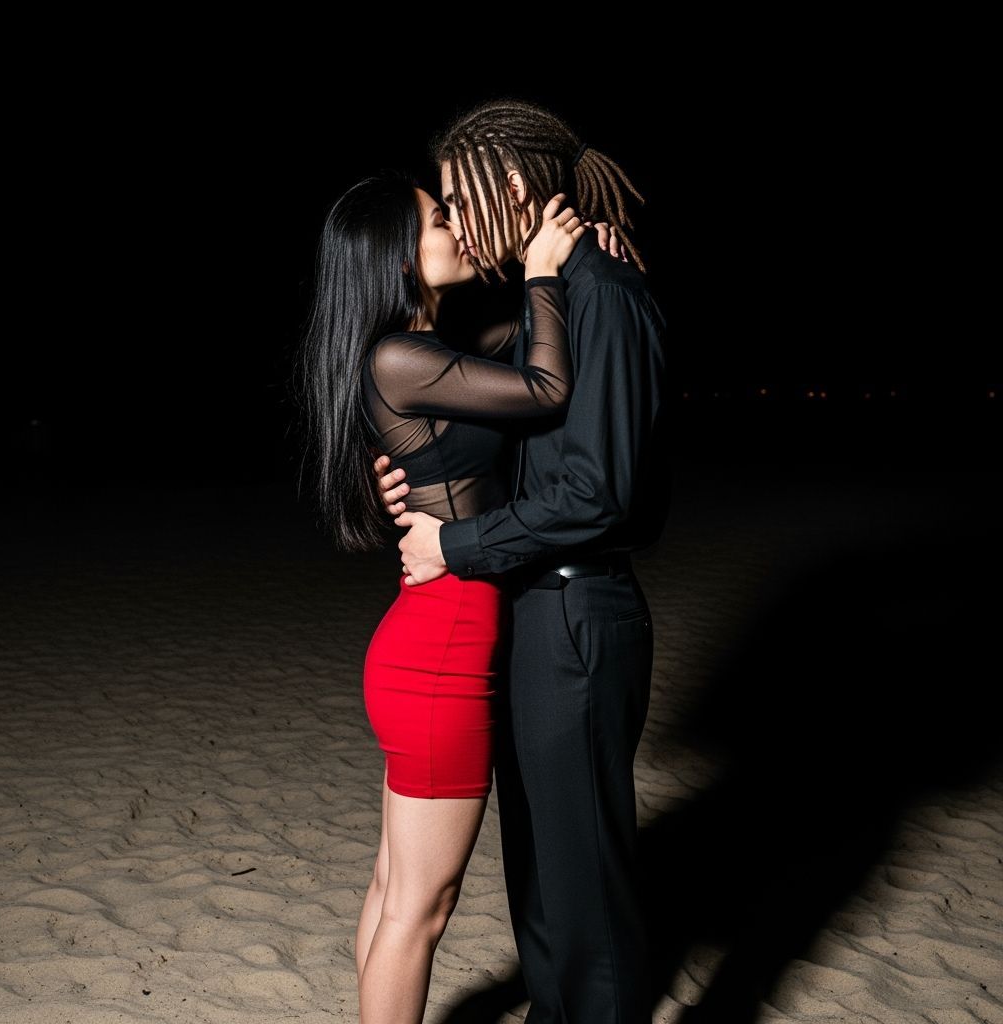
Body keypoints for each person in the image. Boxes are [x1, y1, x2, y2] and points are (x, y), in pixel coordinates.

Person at [373, 99, 669, 1023]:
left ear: (510, 188)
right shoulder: (549, 300)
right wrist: (410, 492)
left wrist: (453, 542)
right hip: (532, 616)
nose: (457, 224)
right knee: (543, 886)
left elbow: (597, 495)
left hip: (578, 615)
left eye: (461, 201)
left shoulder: (603, 295)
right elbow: (492, 432)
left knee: (585, 904)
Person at [294, 169, 602, 1022]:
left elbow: (513, 355)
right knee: (418, 910)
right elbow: (547, 389)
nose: (459, 226)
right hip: (441, 654)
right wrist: (543, 272)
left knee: (397, 890)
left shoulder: (422, 352)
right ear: (400, 257)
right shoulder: (400, 356)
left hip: (425, 641)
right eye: (441, 218)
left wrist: (551, 272)